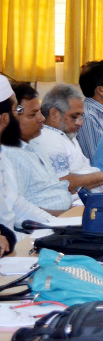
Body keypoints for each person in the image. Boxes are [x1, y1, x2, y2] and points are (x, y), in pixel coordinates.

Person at [29, 84, 103, 191]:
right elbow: (60, 183)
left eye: (81, 116)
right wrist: (102, 177)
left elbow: (81, 180)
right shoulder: (48, 139)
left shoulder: (66, 135)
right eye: (74, 116)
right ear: (54, 114)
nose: (80, 123)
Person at [0, 84, 73, 215]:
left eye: (39, 111)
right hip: (42, 228)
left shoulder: (34, 145)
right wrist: (63, 218)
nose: (42, 119)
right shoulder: (10, 154)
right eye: (33, 114)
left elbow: (53, 191)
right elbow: (17, 210)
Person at [0, 78, 52, 254]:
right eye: (17, 111)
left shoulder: (2, 156)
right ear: (4, 119)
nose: (19, 116)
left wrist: (57, 227)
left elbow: (15, 202)